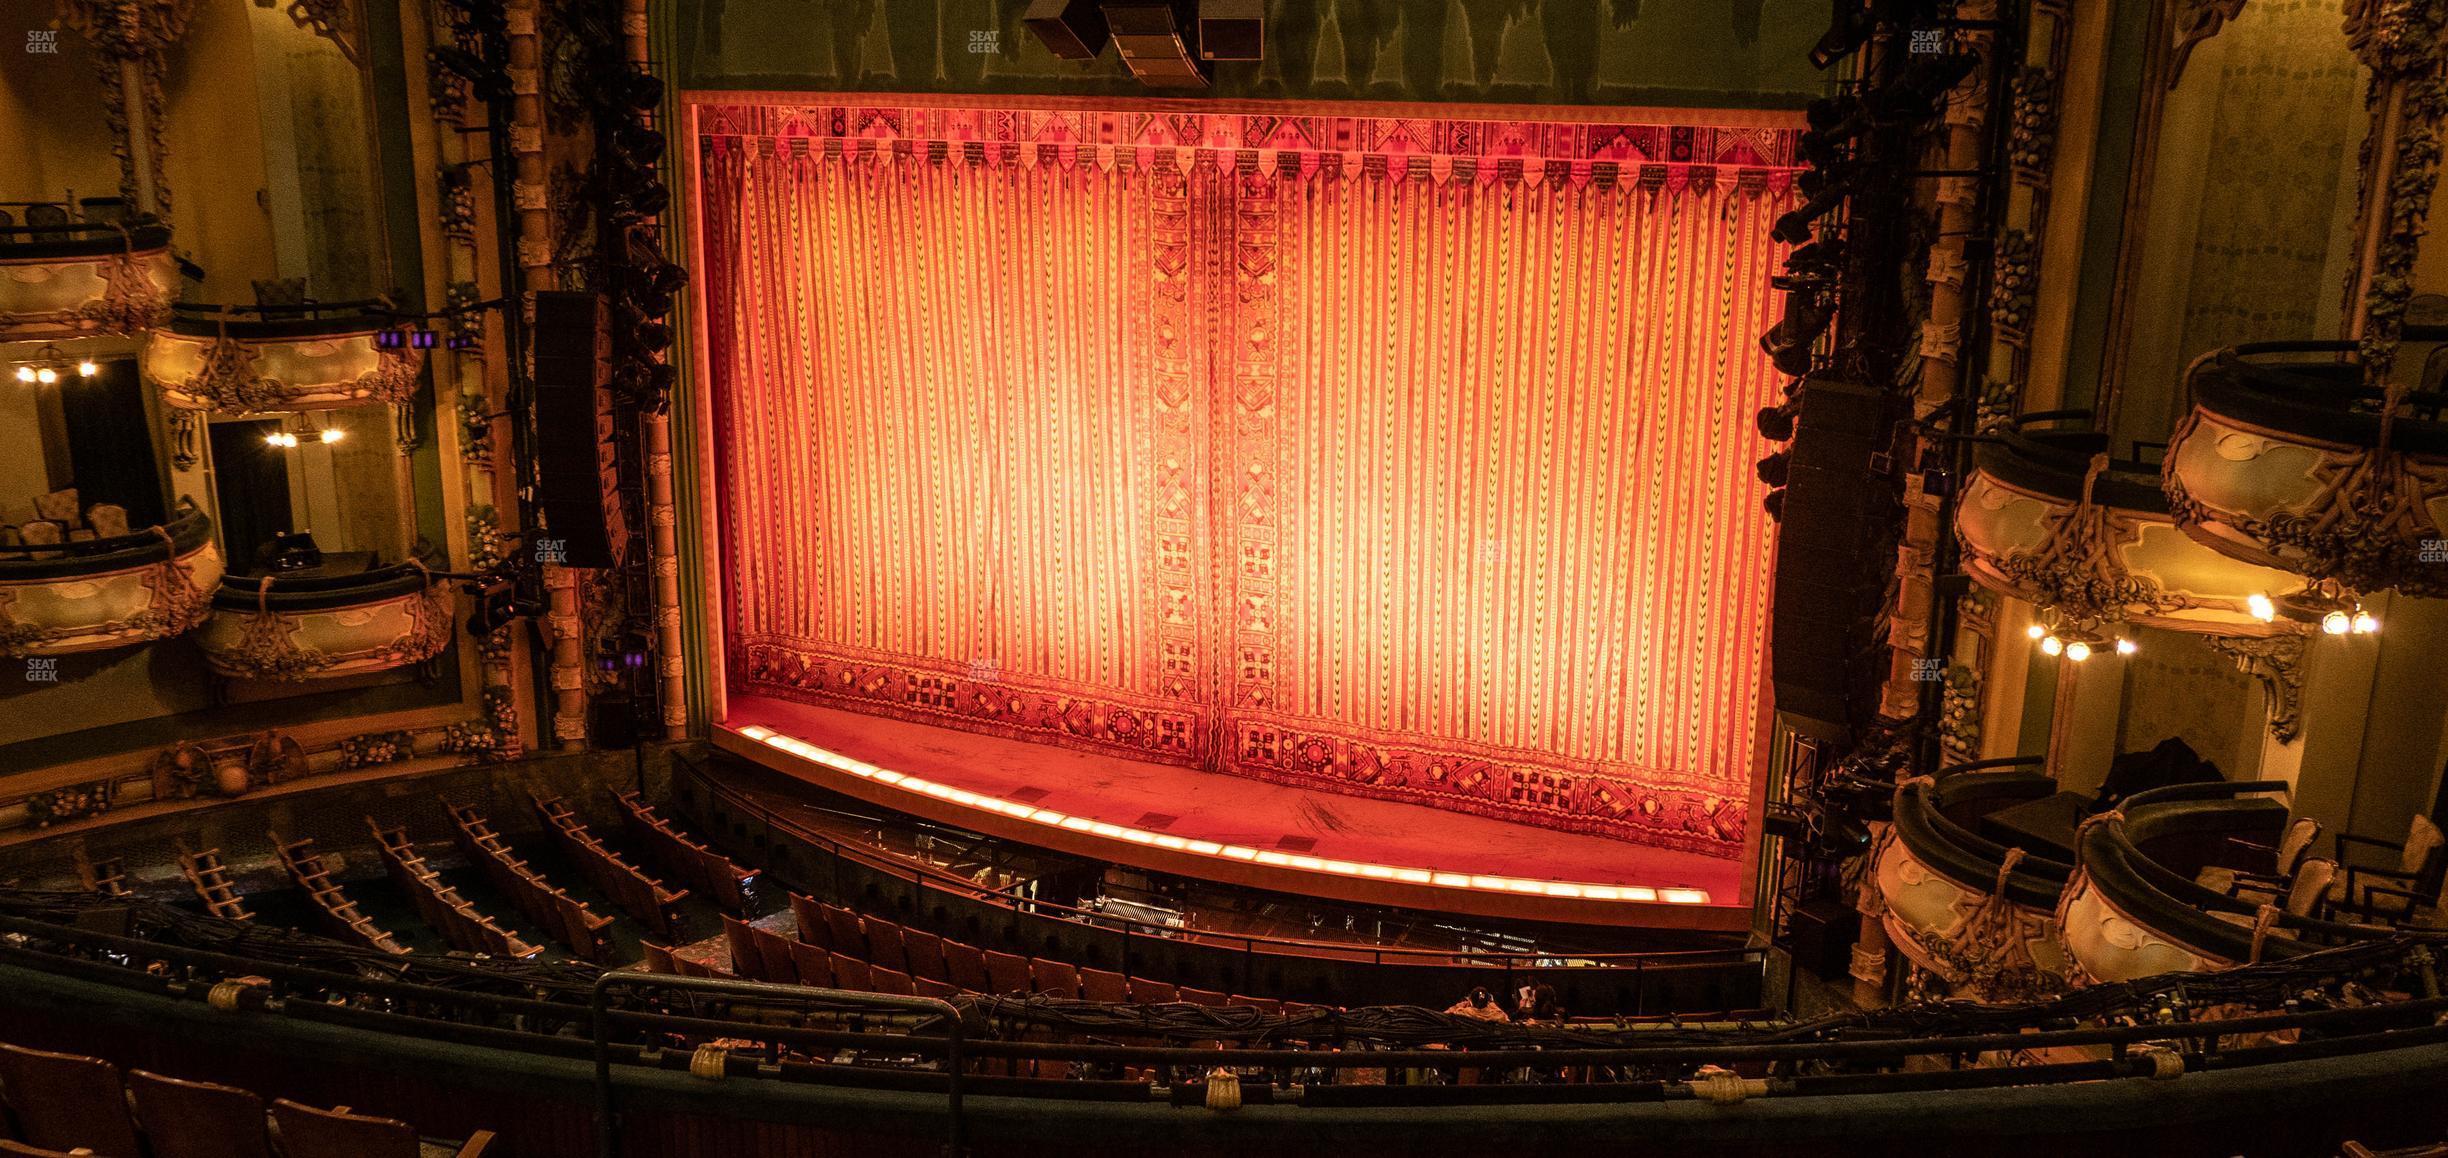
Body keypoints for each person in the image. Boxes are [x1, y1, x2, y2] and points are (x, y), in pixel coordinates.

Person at [1444, 986, 1510, 1022]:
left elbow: (1445, 1014)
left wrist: (1460, 1005)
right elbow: (1507, 1020)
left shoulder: (1462, 1012)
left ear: (1471, 1000)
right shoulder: (1498, 1015)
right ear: (1488, 1001)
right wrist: (1493, 1004)